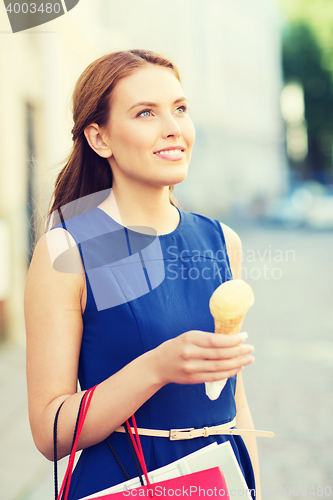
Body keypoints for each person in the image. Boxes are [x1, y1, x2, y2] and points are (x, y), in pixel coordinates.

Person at [24, 50, 261, 500]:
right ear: (100, 138)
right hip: (123, 485)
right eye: (146, 112)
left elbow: (236, 399)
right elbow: (49, 433)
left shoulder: (222, 241)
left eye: (180, 108)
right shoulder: (68, 249)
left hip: (219, 483)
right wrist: (155, 368)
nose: (173, 126)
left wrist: (255, 490)